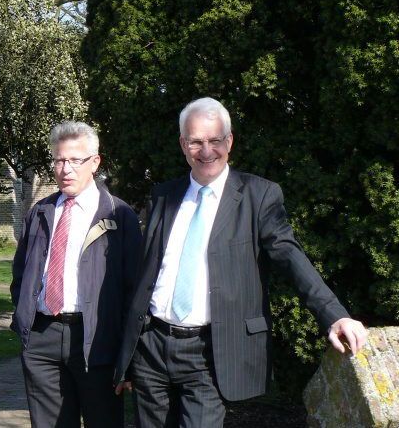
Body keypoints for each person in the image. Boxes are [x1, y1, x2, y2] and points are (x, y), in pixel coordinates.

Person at [114, 97, 369, 427]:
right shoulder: (163, 195)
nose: (206, 151)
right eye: (195, 141)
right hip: (151, 346)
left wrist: (334, 316)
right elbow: (144, 274)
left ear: (229, 141)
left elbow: (290, 256)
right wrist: (127, 352)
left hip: (208, 353)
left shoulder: (257, 196)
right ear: (182, 144)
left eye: (215, 140)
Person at [11, 121, 142, 427]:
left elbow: (132, 290)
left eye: (75, 160)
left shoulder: (119, 215)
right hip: (42, 339)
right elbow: (21, 274)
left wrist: (127, 360)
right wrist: (25, 319)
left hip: (95, 342)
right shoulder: (40, 212)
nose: (65, 169)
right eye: (58, 160)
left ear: (95, 163)